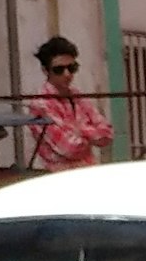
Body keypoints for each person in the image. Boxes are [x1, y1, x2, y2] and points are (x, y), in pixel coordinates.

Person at [24, 35, 113, 172]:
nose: (67, 74)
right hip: (59, 176)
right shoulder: (40, 105)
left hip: (90, 172)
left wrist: (79, 130)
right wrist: (90, 133)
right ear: (45, 70)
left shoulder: (78, 96)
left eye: (72, 68)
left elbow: (107, 134)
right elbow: (68, 148)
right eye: (59, 69)